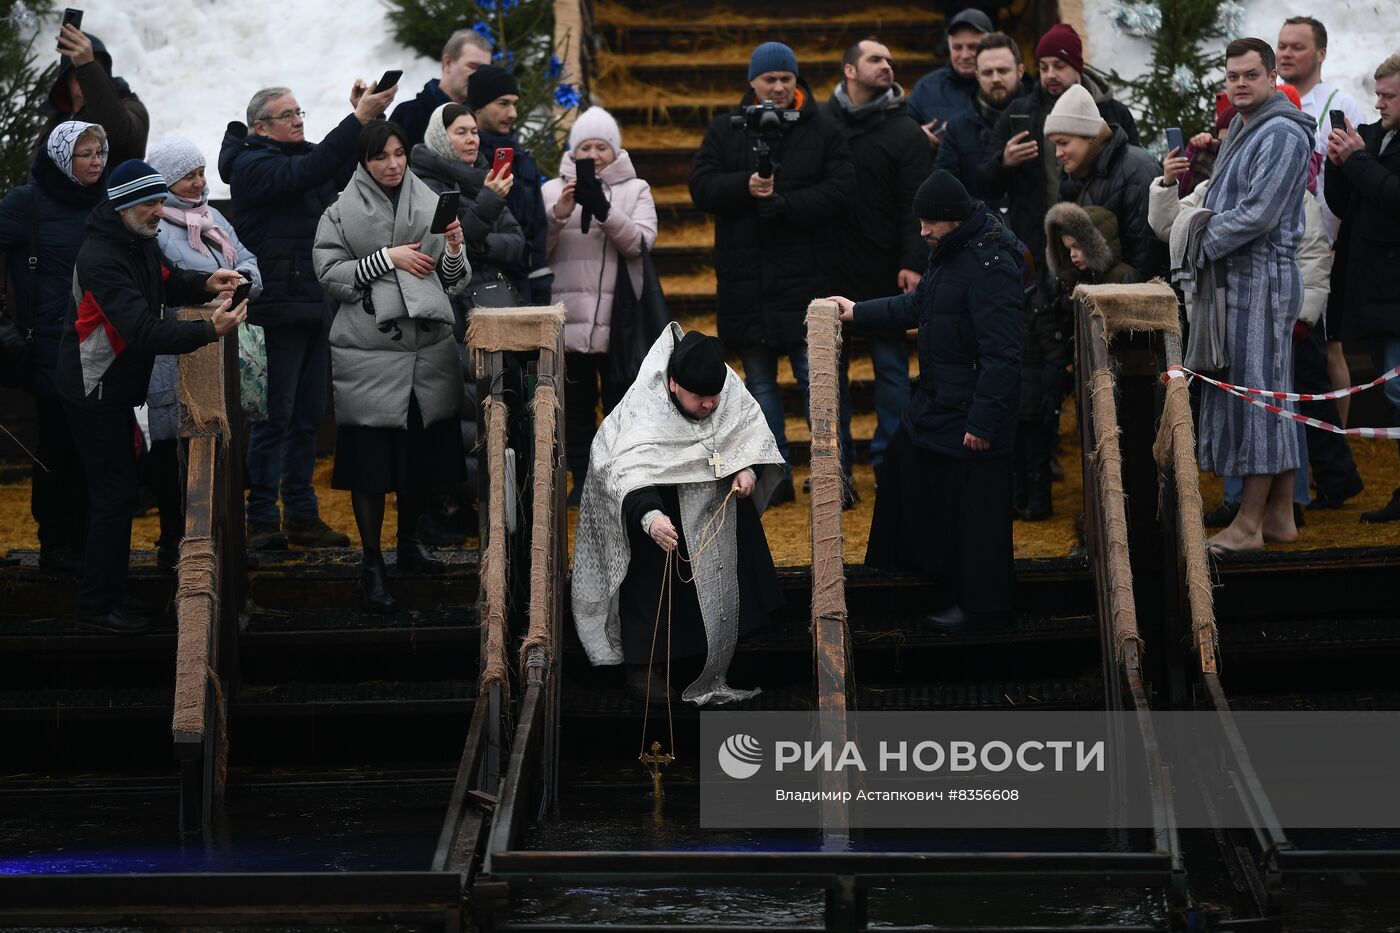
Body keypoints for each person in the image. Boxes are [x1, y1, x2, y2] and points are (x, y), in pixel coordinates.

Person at [54, 160, 248, 633]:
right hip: (93, 384)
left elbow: (165, 278)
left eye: (162, 201)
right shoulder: (101, 256)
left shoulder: (137, 239)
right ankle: (97, 604)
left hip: (114, 386)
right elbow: (140, 329)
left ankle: (110, 593)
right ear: (124, 205)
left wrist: (205, 282)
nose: (160, 210)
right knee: (114, 496)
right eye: (151, 203)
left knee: (117, 493)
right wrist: (209, 329)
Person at [1153, 89, 1360, 525]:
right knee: (1249, 407)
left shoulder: (1293, 195)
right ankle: (1259, 509)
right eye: (1225, 136)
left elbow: (1311, 260)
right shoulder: (1213, 191)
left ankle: (1288, 505)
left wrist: (1303, 315)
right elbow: (1168, 224)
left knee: (1279, 411)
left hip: (1281, 315)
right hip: (1232, 309)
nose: (1231, 144)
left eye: (1237, 135)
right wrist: (1169, 185)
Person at [828, 170, 1023, 629]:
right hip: (940, 400)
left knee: (978, 512)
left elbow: (1003, 356)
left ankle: (982, 607)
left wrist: (983, 422)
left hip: (973, 412)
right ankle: (931, 573)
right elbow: (917, 308)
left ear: (951, 219)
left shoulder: (991, 266)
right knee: (907, 464)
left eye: (928, 223)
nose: (921, 232)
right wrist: (858, 312)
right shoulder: (949, 254)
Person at [220, 79, 397, 550]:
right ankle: (260, 519)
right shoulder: (250, 165)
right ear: (261, 126)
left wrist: (367, 117)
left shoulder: (303, 159)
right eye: (288, 115)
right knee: (272, 419)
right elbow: (317, 166)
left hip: (316, 303)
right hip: (275, 309)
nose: (299, 120)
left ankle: (299, 514)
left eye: (301, 112)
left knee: (306, 420)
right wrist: (356, 119)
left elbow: (344, 166)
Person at [571, 327, 786, 704]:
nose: (709, 405)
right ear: (673, 385)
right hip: (658, 508)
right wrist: (650, 516)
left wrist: (747, 471)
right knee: (652, 568)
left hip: (714, 504)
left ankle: (720, 650)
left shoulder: (726, 390)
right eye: (699, 398)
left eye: (713, 397)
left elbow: (749, 436)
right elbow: (626, 470)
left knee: (735, 543)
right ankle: (643, 666)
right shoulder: (643, 409)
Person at [689, 41, 856, 505]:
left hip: (807, 281)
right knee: (759, 386)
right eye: (769, 80)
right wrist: (745, 186)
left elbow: (842, 189)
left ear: (796, 79)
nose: (779, 87)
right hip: (749, 285)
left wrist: (787, 205)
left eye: (786, 78)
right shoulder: (726, 130)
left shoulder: (823, 129)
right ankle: (774, 474)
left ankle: (833, 474)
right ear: (753, 82)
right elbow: (700, 186)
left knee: (819, 382)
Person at [313, 121, 469, 613]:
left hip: (426, 353)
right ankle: (371, 565)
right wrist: (386, 258)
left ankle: (408, 545)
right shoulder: (340, 211)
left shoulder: (428, 200)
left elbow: (453, 281)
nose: (394, 164)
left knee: (418, 460)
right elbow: (329, 273)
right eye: (382, 156)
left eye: (400, 153)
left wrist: (457, 248)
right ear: (364, 160)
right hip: (370, 352)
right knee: (371, 468)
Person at [1193, 39, 1314, 555]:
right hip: (1240, 280)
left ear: (1270, 78)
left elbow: (1260, 213)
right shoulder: (1247, 125)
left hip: (1261, 281)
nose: (1239, 84)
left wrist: (1200, 238)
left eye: (1250, 75)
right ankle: (1281, 516)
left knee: (1258, 402)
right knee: (1273, 398)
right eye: (1232, 76)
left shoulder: (1282, 133)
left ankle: (1247, 526)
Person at [144, 137, 265, 570]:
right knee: (175, 448)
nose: (198, 183)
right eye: (187, 176)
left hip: (223, 347)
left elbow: (247, 257)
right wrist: (208, 284)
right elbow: (166, 286)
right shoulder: (156, 227)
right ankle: (175, 541)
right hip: (175, 354)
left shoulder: (212, 217)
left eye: (199, 173)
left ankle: (227, 540)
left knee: (224, 440)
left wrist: (243, 279)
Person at [412, 102, 527, 541]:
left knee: (490, 401)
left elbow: (517, 244)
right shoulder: (425, 181)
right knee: (454, 407)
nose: (473, 140)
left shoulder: (487, 179)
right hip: (448, 313)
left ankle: (483, 503)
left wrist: (479, 238)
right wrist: (487, 210)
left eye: (475, 132)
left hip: (489, 308)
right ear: (442, 137)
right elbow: (442, 244)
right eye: (461, 132)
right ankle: (447, 505)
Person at [0, 121, 109, 574]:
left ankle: (88, 542)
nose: (96, 162)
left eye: (100, 152)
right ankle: (56, 542)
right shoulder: (28, 203)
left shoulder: (105, 202)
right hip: (48, 344)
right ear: (64, 159)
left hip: (100, 344)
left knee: (97, 449)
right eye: (85, 154)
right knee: (57, 448)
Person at [823, 38, 929, 496]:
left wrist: (913, 260)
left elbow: (915, 203)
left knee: (891, 372)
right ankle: (836, 471)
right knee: (829, 375)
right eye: (875, 59)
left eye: (890, 58)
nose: (888, 65)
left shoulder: (905, 131)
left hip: (888, 271)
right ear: (850, 70)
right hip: (829, 271)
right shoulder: (822, 125)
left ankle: (890, 465)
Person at [540, 106, 659, 504]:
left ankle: (621, 481)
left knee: (622, 406)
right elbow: (535, 253)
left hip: (619, 322)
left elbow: (641, 243)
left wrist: (604, 209)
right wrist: (558, 216)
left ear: (615, 151)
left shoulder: (637, 188)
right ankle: (581, 480)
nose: (593, 155)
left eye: (601, 146)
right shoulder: (550, 191)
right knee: (573, 410)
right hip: (568, 320)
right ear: (573, 153)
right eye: (585, 147)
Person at [977, 23, 1139, 264]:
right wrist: (1004, 161)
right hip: (1036, 244)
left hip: (1098, 241)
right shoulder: (1019, 112)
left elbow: (1133, 174)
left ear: (1077, 66)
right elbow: (985, 184)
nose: (1050, 74)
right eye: (1043, 67)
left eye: (1059, 66)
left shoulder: (1112, 113)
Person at [1022, 203, 1135, 520]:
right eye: (1067, 247)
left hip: (1117, 381)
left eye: (1079, 247)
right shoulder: (1071, 286)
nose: (1072, 255)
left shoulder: (1122, 278)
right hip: (1088, 376)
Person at [1325, 52, 1400, 523]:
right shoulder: (1374, 137)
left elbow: (1394, 196)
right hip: (1378, 294)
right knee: (1395, 397)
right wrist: (1340, 162)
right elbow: (1342, 203)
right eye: (1378, 94)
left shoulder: (1372, 146)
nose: (1379, 103)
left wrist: (1359, 161)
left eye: (1389, 95)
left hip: (1394, 294)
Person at [1043, 84, 1164, 280]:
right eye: (1055, 144)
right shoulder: (1078, 174)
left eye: (1064, 143)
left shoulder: (1137, 170)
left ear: (1090, 136)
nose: (1058, 153)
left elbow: (1146, 260)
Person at [1276, 16, 1368, 244]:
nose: (1286, 53)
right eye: (1282, 46)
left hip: (1320, 245)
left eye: (1297, 47)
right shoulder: (1261, 101)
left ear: (1321, 54)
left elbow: (1360, 181)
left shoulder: (1342, 106)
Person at [468, 65, 553, 305]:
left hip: (523, 287)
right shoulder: (464, 161)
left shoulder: (523, 159)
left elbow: (537, 227)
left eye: (515, 104)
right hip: (480, 288)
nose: (513, 113)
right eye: (503, 103)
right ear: (478, 106)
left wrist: (539, 279)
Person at [935, 31, 1032, 198]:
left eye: (1003, 71)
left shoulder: (1042, 117)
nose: (995, 79)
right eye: (988, 73)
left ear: (1020, 71)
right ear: (977, 76)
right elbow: (943, 189)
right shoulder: (957, 128)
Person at [39, 23, 148, 167]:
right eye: (77, 66)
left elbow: (119, 135)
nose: (83, 75)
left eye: (96, 66)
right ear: (66, 77)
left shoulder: (131, 106)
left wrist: (87, 67)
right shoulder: (56, 121)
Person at [907, 8, 994, 151]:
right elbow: (903, 131)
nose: (964, 55)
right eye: (957, 47)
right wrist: (917, 134)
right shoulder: (926, 87)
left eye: (973, 47)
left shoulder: (1003, 85)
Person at [390, 29, 493, 149]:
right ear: (448, 62)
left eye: (485, 70)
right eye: (472, 66)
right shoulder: (409, 115)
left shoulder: (483, 121)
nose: (479, 75)